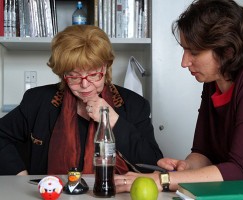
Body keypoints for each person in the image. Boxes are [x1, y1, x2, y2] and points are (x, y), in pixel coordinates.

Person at [114, 0, 243, 199]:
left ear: (227, 50)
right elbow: (202, 153)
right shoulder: (213, 83)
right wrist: (186, 168)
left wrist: (162, 180)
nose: (184, 62)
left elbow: (241, 172)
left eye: (194, 52)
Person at [0, 25, 163, 175]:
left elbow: (152, 162)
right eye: (74, 76)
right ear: (63, 74)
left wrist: (113, 120)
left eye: (93, 75)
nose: (85, 85)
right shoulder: (37, 100)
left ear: (105, 68)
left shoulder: (134, 105)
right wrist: (19, 174)